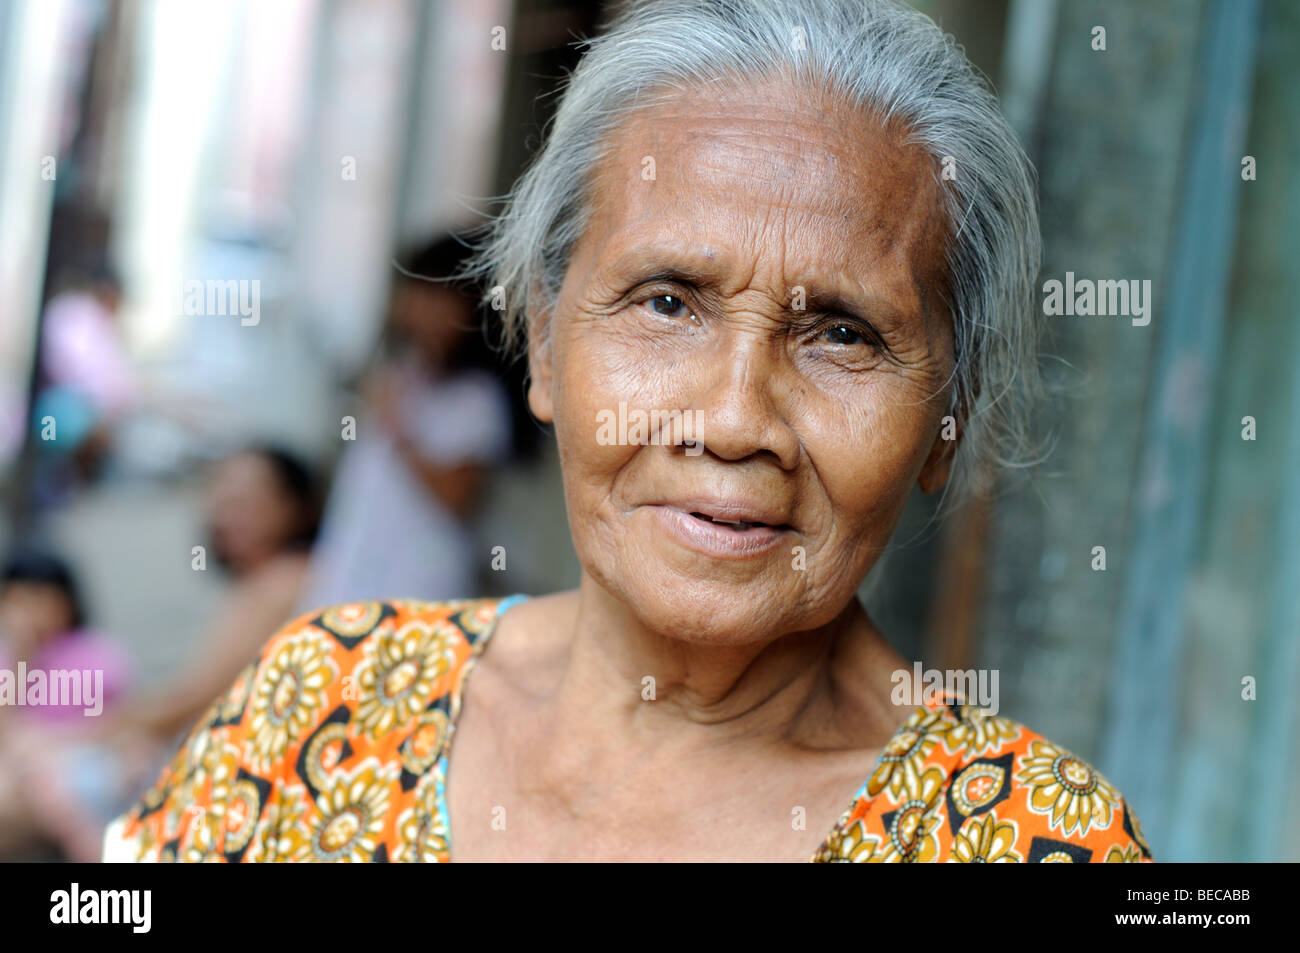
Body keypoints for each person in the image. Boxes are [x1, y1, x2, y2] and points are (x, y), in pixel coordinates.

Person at [103, 0, 1152, 863]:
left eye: (842, 334)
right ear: (547, 342)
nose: (737, 419)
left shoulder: (1034, 838)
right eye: (666, 302)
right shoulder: (325, 703)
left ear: (944, 420)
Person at [7, 445, 320, 861]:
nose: (226, 513)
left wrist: (87, 737)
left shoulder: (282, 582)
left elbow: (194, 699)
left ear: (293, 506)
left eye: (245, 499)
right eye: (220, 498)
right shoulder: (265, 584)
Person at [295, 234, 514, 610]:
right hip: (350, 583)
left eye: (437, 299)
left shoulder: (477, 398)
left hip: (415, 597)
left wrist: (400, 431)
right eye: (415, 294)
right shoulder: (403, 373)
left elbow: (457, 496)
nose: (419, 311)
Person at [0, 548, 131, 858]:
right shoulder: (8, 657)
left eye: (42, 600)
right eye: (20, 602)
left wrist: (53, 741)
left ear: (69, 602)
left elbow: (120, 721)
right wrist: (21, 657)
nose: (31, 613)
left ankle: (91, 848)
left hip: (80, 760)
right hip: (19, 764)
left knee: (46, 778)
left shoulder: (95, 653)